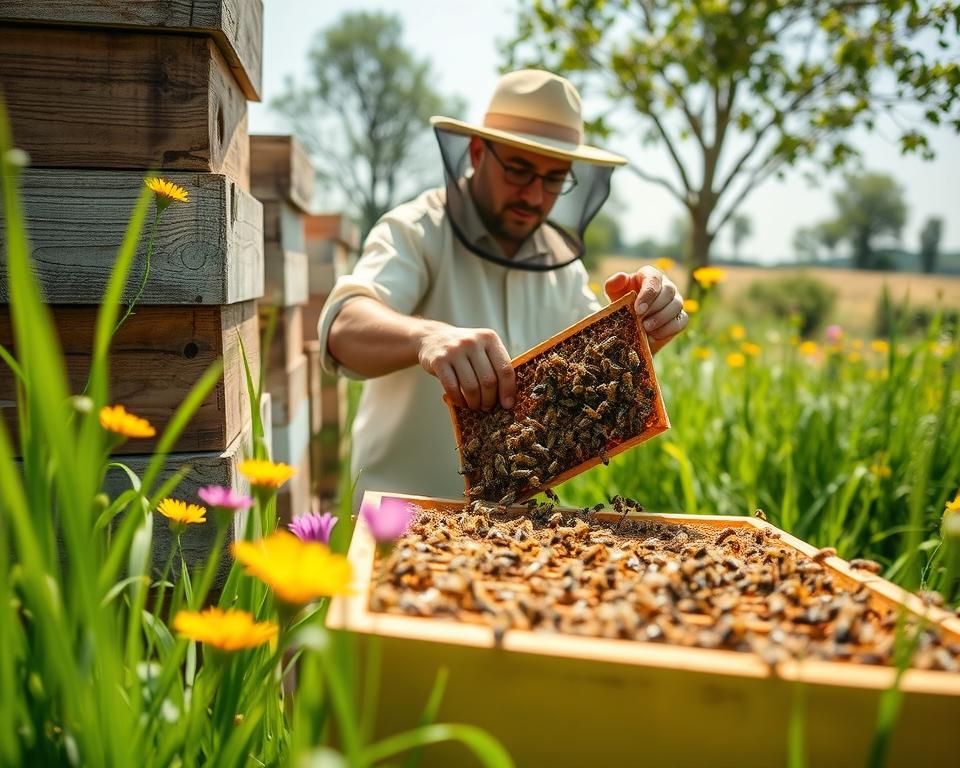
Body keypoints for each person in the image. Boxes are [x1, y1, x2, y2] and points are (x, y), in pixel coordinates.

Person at [318, 69, 688, 506]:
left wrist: (642, 328)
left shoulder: (561, 266)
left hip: (511, 537)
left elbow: (591, 387)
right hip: (397, 524)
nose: (534, 196)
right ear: (477, 152)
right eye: (519, 170)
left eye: (554, 179)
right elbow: (343, 328)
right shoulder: (418, 229)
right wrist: (428, 337)